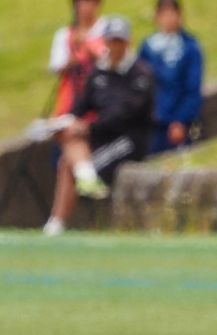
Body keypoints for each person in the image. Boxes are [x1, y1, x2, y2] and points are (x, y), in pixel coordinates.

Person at [44, 17, 156, 236]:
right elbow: (79, 107)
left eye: (119, 41)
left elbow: (124, 115)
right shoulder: (98, 72)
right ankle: (58, 219)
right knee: (68, 154)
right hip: (102, 137)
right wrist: (62, 124)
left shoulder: (141, 74)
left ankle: (62, 215)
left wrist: (87, 128)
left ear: (128, 42)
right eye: (111, 41)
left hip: (130, 140)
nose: (115, 47)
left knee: (70, 163)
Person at [138, 0, 203, 154]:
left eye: (172, 12)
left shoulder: (189, 48)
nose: (168, 18)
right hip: (151, 121)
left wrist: (181, 120)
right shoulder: (148, 47)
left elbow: (193, 87)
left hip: (176, 122)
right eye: (163, 13)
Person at [49, 0, 107, 117]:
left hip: (103, 100)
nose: (85, 6)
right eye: (80, 2)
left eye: (89, 1)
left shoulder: (109, 30)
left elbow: (110, 61)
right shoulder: (64, 34)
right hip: (72, 102)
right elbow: (57, 67)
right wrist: (73, 55)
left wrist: (85, 45)